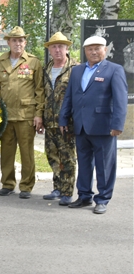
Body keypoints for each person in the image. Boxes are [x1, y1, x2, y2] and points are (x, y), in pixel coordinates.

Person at [59, 35, 127, 214]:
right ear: (85, 51)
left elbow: (120, 100)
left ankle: (103, 198)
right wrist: (63, 118)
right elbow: (70, 97)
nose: (94, 52)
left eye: (98, 48)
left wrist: (118, 124)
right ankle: (84, 196)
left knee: (104, 165)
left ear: (105, 50)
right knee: (84, 163)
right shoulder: (78, 70)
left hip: (103, 126)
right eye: (90, 49)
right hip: (81, 126)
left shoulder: (114, 70)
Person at [0, 26, 44, 199]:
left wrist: (38, 114)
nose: (17, 43)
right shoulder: (0, 61)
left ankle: (26, 186)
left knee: (26, 152)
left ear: (25, 42)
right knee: (6, 152)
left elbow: (40, 90)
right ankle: (7, 184)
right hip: (6, 115)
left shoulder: (33, 62)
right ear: (8, 42)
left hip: (26, 115)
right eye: (14, 40)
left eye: (21, 40)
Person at [41, 32, 77, 205]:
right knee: (52, 156)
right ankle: (57, 187)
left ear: (67, 48)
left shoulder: (75, 69)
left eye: (60, 46)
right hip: (49, 121)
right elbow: (42, 95)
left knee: (67, 157)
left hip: (66, 123)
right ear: (49, 50)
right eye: (53, 46)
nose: (57, 50)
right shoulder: (46, 68)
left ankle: (67, 191)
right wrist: (40, 117)